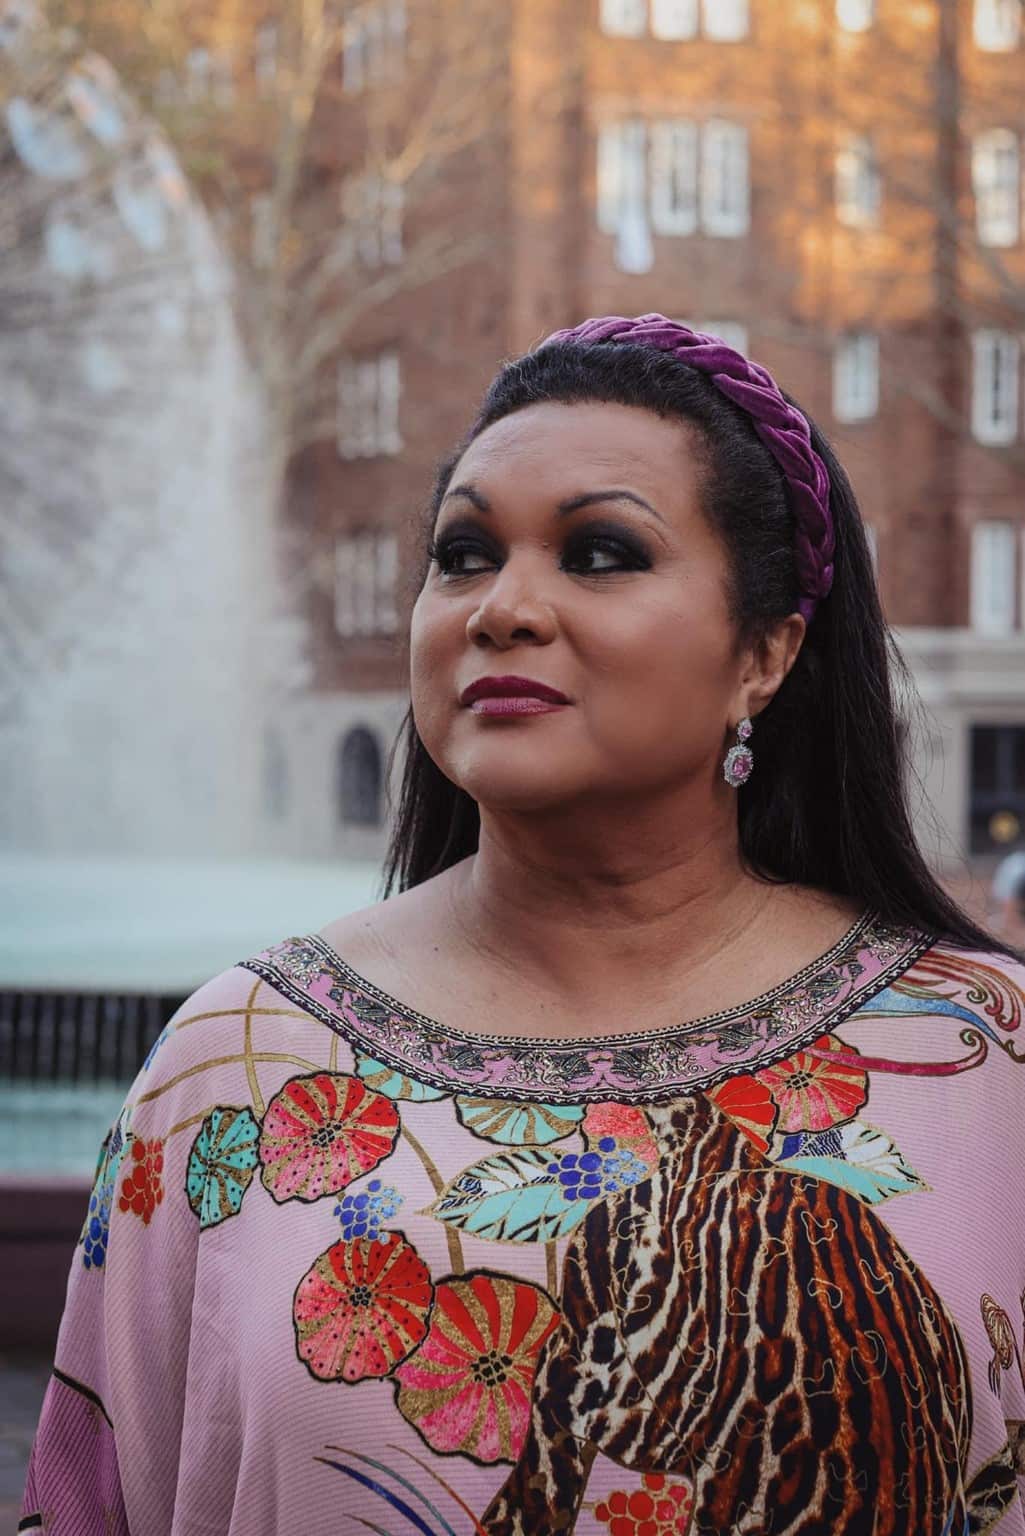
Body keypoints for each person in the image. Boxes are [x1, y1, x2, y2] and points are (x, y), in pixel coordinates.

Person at [22, 315, 1025, 1535]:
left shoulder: (985, 1059)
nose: (501, 608)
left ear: (763, 653)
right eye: (461, 554)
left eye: (599, 552)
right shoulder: (237, 1066)